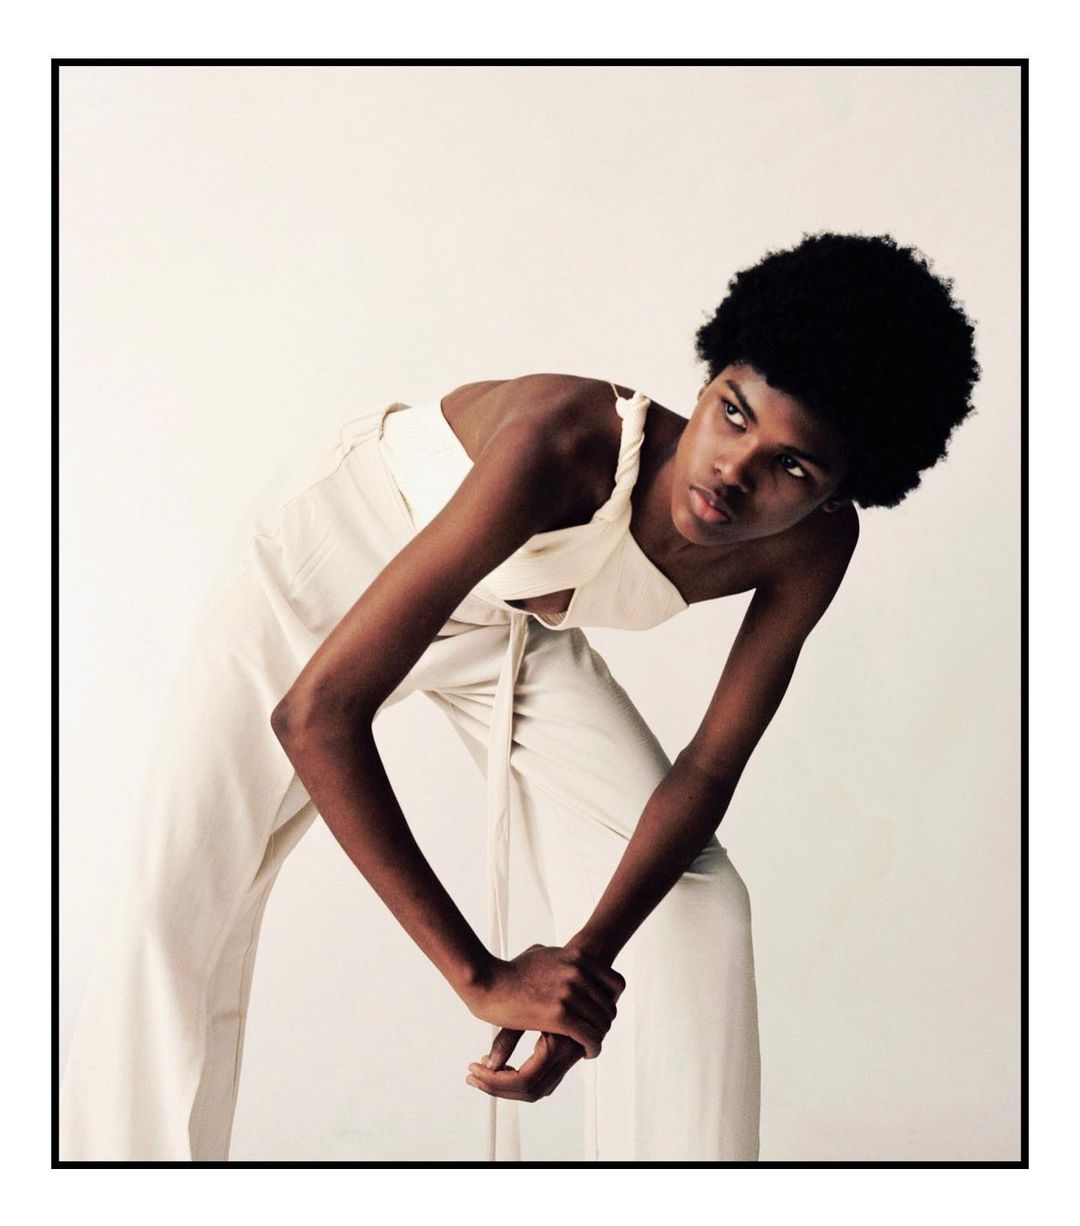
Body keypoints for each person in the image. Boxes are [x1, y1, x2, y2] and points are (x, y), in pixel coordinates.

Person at [59, 231, 980, 1163]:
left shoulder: (813, 546)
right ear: (708, 382)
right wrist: (481, 977)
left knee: (696, 909)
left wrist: (582, 975)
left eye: (793, 467)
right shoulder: (561, 443)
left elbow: (707, 767)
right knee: (172, 913)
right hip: (328, 567)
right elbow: (316, 715)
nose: (734, 470)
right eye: (733, 413)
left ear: (838, 495)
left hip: (503, 620)